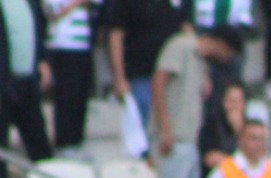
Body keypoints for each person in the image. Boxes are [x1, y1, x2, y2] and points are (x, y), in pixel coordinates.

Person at [151, 27, 243, 178]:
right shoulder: (181, 46)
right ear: (222, 45)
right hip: (173, 139)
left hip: (191, 141)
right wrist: (165, 130)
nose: (225, 59)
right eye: (227, 53)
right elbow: (159, 83)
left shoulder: (202, 63)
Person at [106, 0, 188, 129]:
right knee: (143, 127)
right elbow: (116, 36)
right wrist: (119, 77)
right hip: (140, 74)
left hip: (173, 75)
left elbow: (186, 29)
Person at [45, 0, 96, 156]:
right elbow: (53, 12)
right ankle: (64, 143)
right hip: (63, 45)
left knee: (80, 94)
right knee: (67, 95)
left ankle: (76, 141)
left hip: (83, 46)